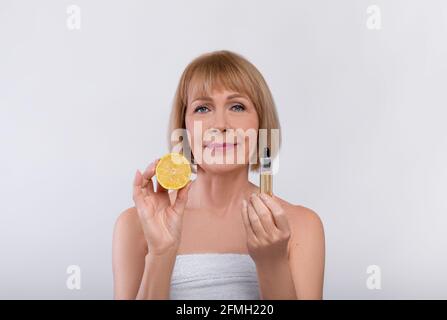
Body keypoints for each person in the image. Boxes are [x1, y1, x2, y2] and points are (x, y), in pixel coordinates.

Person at [112, 50, 325, 299]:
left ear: (261, 125)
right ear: (185, 128)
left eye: (237, 106)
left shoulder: (301, 225)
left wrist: (272, 263)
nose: (220, 124)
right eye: (202, 108)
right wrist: (161, 252)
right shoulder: (136, 225)